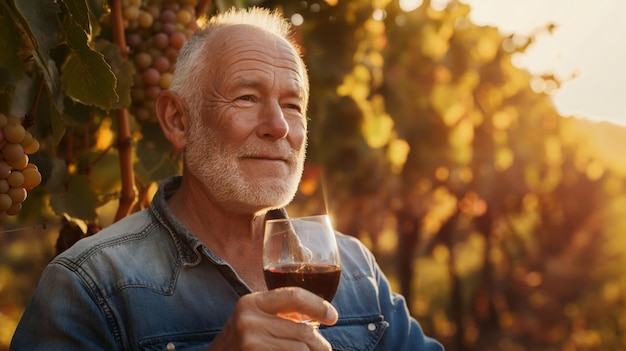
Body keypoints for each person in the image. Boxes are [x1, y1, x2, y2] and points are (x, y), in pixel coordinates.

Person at [11, 7, 443, 351]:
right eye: (247, 97)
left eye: (292, 105)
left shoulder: (355, 272)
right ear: (178, 120)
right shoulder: (89, 284)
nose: (278, 126)